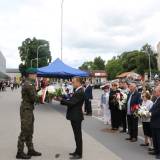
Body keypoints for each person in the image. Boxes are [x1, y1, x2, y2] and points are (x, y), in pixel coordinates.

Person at [16, 72, 41, 159]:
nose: (36, 76)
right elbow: (34, 98)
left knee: (30, 130)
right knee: (25, 130)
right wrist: (42, 96)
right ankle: (19, 152)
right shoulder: (28, 84)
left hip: (29, 109)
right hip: (26, 110)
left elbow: (33, 95)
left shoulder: (30, 83)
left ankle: (30, 149)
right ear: (30, 75)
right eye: (35, 74)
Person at [60, 77, 85, 159]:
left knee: (78, 135)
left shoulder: (80, 91)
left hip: (76, 116)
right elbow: (71, 99)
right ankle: (77, 151)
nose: (72, 83)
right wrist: (63, 97)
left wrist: (60, 100)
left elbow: (71, 103)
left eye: (73, 82)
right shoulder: (77, 90)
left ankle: (79, 154)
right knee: (76, 135)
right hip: (75, 115)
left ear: (78, 82)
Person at [149, 86, 160, 159]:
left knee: (159, 139)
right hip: (154, 121)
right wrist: (148, 112)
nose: (154, 93)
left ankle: (159, 153)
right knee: (155, 137)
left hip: (158, 122)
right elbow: (153, 108)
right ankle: (156, 150)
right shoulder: (157, 99)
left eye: (155, 91)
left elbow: (158, 111)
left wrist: (151, 114)